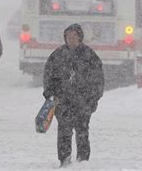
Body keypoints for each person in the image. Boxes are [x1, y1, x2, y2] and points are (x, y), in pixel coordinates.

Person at [42, 23, 104, 167]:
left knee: (82, 131)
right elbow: (48, 75)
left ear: (80, 37)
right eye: (68, 36)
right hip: (62, 102)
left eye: (74, 36)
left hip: (83, 101)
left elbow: (98, 78)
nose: (71, 39)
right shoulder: (57, 54)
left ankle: (83, 161)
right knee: (64, 131)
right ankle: (64, 160)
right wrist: (50, 95)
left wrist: (93, 98)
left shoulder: (89, 55)